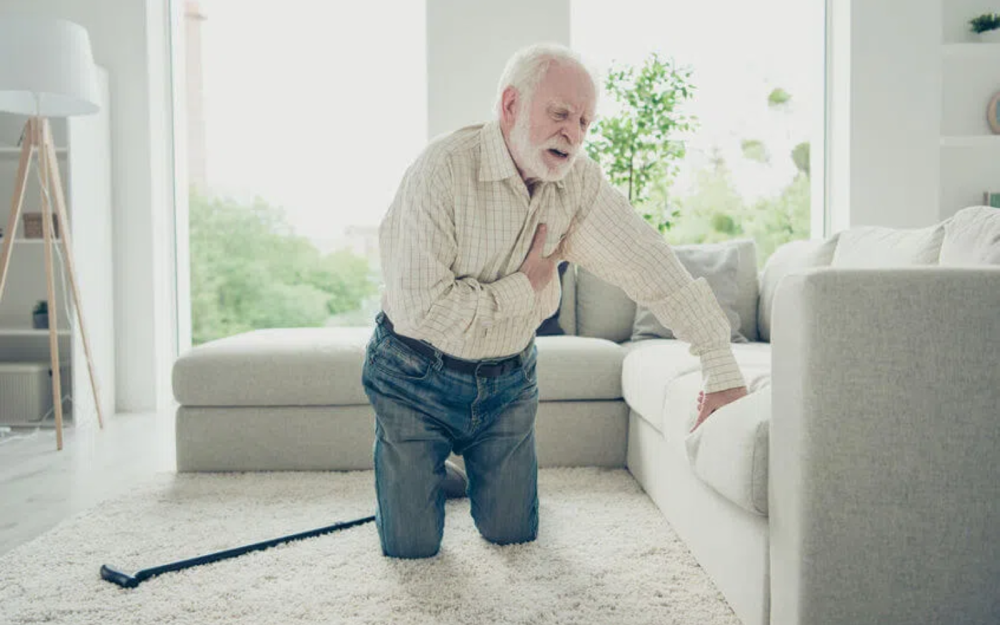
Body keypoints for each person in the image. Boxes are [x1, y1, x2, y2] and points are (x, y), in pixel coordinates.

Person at [362, 42, 748, 559]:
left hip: (506, 382)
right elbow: (423, 311)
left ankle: (440, 473)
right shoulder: (441, 171)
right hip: (413, 373)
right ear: (510, 106)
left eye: (585, 121)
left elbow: (647, 260)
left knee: (513, 536)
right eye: (560, 113)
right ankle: (423, 470)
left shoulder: (578, 183)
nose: (574, 132)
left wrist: (720, 365)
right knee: (410, 548)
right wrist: (526, 284)